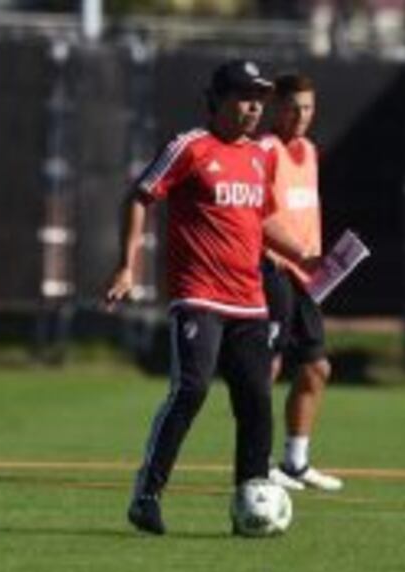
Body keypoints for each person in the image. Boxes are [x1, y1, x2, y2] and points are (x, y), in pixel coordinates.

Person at [105, 60, 317, 535]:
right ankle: (147, 495)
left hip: (249, 300)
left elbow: (258, 219)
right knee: (192, 389)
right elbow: (140, 196)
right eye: (244, 98)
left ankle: (253, 498)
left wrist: (301, 251)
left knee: (257, 400)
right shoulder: (190, 147)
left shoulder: (261, 157)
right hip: (198, 295)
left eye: (259, 99)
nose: (253, 108)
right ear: (217, 100)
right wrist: (127, 264)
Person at [260, 72, 343, 492]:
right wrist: (294, 253)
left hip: (306, 276)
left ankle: (295, 462)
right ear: (275, 107)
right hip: (271, 269)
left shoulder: (308, 151)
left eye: (308, 107)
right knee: (268, 365)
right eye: (293, 107)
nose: (301, 115)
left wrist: (322, 262)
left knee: (316, 368)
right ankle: (257, 463)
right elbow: (257, 216)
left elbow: (304, 212)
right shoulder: (265, 149)